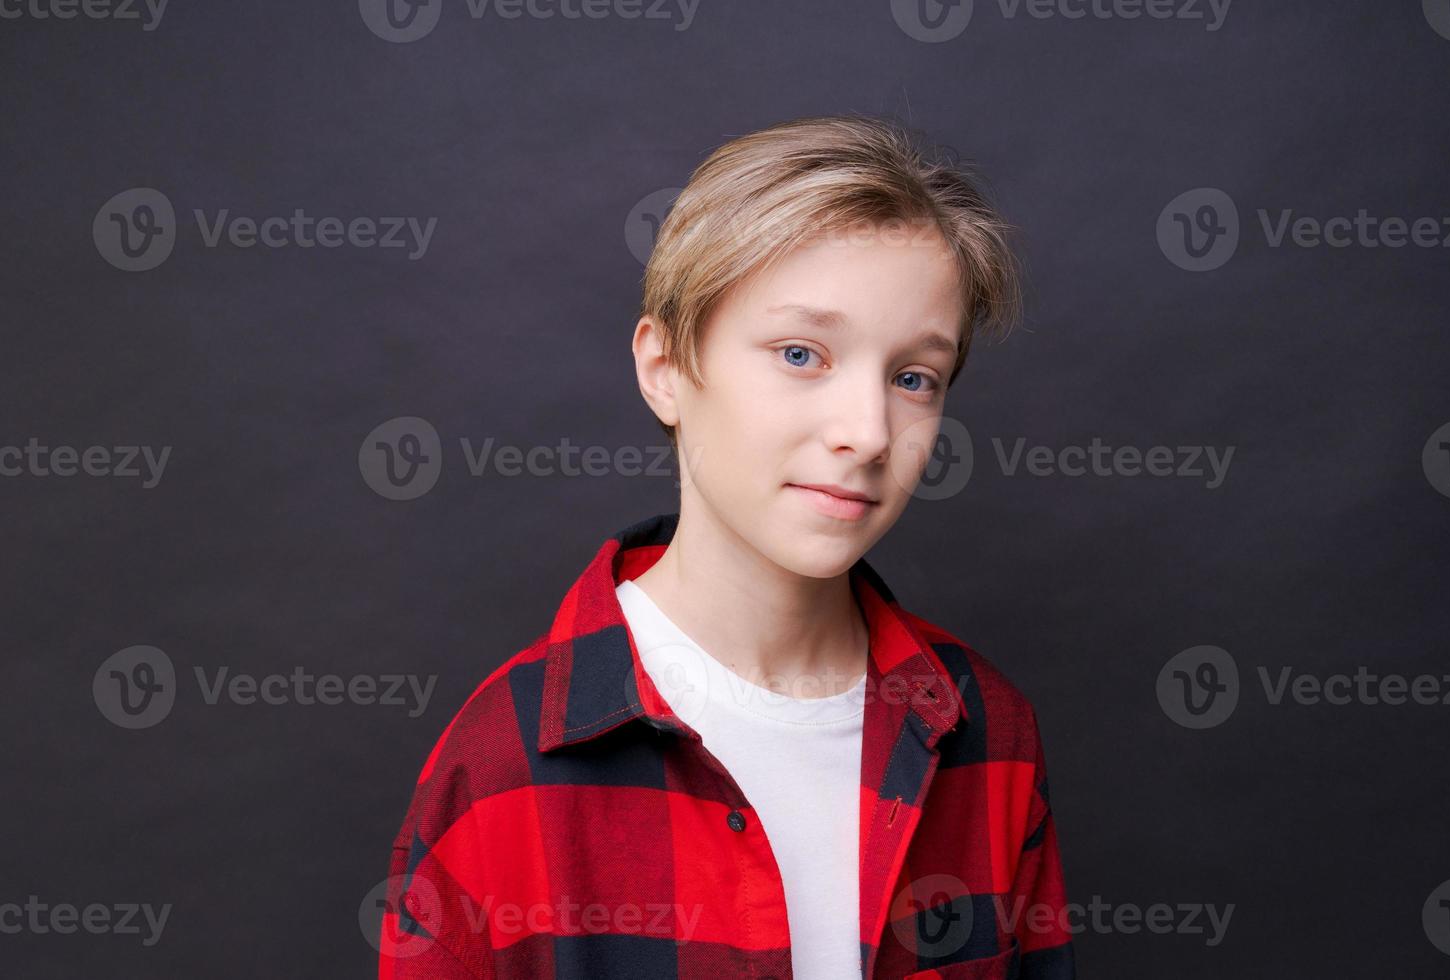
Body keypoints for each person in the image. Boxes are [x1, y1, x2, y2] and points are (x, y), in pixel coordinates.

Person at [377, 114, 1075, 979]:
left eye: (911, 378)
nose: (866, 432)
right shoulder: (502, 762)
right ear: (666, 368)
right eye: (800, 353)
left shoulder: (989, 733)